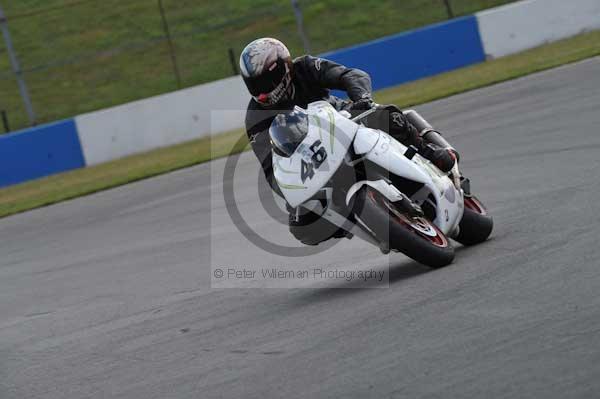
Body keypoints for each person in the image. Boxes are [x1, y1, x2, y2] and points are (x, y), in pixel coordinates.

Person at [240, 37, 458, 245]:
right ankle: (359, 220)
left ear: (284, 69)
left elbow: (351, 75)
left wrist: (362, 99)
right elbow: (272, 170)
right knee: (300, 225)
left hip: (343, 119)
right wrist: (294, 194)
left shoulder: (305, 68)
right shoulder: (255, 118)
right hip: (313, 158)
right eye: (254, 86)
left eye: (265, 82)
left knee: (388, 116)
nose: (261, 93)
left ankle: (429, 152)